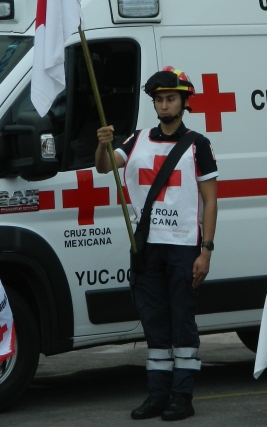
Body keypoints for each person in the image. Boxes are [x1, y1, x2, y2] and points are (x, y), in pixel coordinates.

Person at [96, 67, 218, 422]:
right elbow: (105, 167)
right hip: (146, 246)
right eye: (159, 100)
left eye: (171, 99)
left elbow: (210, 200)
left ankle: (182, 396)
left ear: (183, 102)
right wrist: (102, 144)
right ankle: (157, 394)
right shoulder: (137, 140)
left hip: (183, 246)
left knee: (182, 321)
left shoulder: (198, 144)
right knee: (153, 321)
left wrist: (206, 249)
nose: (165, 105)